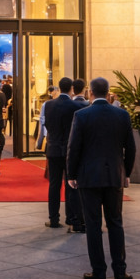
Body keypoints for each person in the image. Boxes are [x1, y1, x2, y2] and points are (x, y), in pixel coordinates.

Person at [67, 77, 137, 279]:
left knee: (93, 225)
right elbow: (130, 148)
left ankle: (98, 271)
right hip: (114, 175)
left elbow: (74, 148)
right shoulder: (122, 115)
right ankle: (120, 272)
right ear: (108, 94)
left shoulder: (81, 115)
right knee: (116, 223)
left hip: (88, 177)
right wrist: (126, 172)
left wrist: (71, 174)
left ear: (90, 93)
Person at [43, 77, 86, 230]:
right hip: (69, 150)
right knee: (71, 185)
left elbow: (46, 124)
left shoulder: (48, 105)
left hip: (53, 149)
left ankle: (53, 219)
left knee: (54, 185)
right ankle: (72, 218)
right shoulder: (75, 106)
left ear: (59, 88)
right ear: (72, 89)